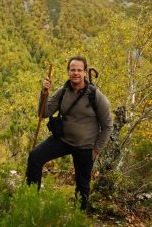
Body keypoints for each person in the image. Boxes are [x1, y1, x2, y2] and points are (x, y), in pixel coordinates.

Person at [26, 56, 113, 211]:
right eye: (72, 70)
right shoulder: (63, 91)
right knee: (35, 157)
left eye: (79, 70)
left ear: (85, 73)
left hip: (85, 147)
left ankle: (78, 217)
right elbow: (43, 112)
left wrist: (95, 151)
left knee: (82, 185)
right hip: (63, 140)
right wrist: (44, 92)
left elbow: (107, 126)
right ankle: (30, 201)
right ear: (68, 72)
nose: (75, 73)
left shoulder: (95, 96)